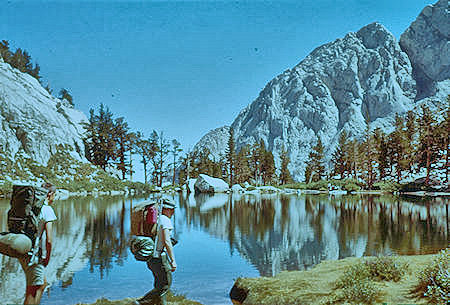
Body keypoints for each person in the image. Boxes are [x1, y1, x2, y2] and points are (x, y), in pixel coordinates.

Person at [18, 183, 57, 305]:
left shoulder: (29, 207)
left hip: (22, 249)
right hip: (33, 254)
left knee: (41, 284)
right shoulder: (47, 210)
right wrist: (48, 258)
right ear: (49, 194)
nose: (54, 198)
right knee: (32, 290)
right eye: (55, 195)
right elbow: (49, 240)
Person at [136, 198, 177, 305]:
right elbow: (167, 241)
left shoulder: (157, 219)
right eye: (172, 210)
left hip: (151, 259)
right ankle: (141, 302)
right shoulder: (165, 220)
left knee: (159, 284)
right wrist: (173, 260)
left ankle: (157, 303)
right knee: (165, 284)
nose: (173, 212)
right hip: (159, 258)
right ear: (166, 209)